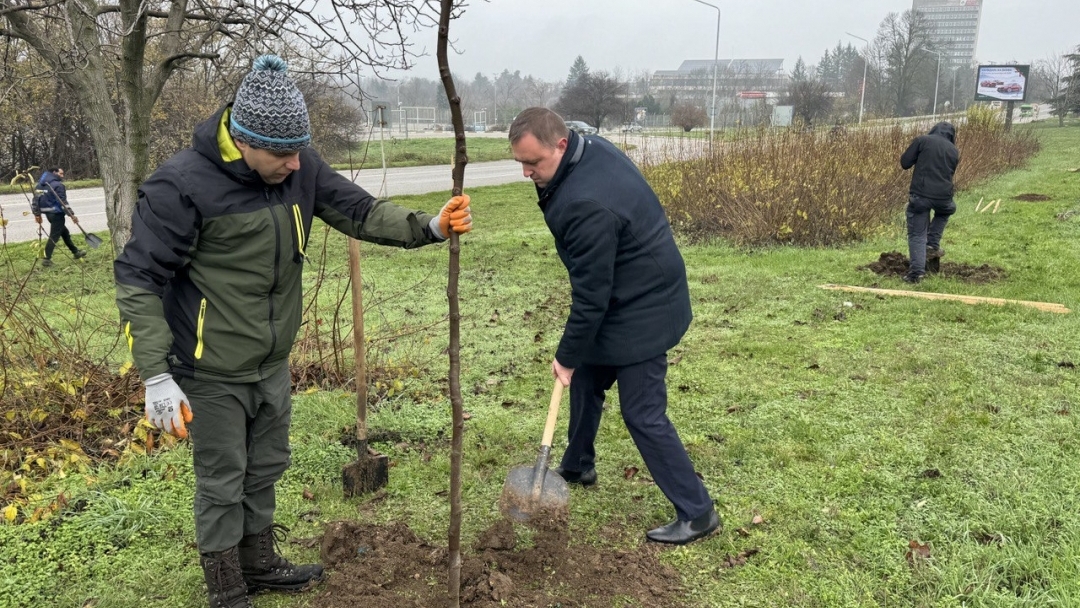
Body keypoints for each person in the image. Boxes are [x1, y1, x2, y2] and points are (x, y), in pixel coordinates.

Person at [113, 55, 472, 608]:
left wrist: (428, 226)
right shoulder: (181, 185)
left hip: (269, 361)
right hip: (210, 370)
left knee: (267, 464)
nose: (295, 163)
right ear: (243, 139)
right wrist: (157, 375)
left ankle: (259, 562)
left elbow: (356, 209)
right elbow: (138, 277)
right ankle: (226, 586)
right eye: (281, 153)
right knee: (222, 478)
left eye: (299, 150)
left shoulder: (296, 166)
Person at [508, 107, 718, 546]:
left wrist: (565, 356)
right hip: (628, 287)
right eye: (521, 164)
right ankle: (577, 463)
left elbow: (591, 296)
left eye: (534, 163)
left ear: (560, 145)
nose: (527, 173)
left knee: (641, 411)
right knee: (586, 378)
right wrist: (576, 359)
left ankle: (698, 513)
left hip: (646, 306)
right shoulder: (587, 149)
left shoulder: (584, 204)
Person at [899, 121, 960, 283]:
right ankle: (932, 244)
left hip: (921, 195)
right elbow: (950, 173)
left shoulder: (922, 140)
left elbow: (905, 163)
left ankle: (916, 274)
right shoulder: (954, 150)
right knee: (947, 210)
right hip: (944, 197)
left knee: (917, 234)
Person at [32, 167, 86, 267]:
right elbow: (63, 203)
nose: (62, 176)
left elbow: (35, 200)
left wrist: (37, 214)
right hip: (57, 215)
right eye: (61, 174)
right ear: (54, 173)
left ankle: (76, 252)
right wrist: (71, 215)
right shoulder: (58, 185)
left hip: (49, 215)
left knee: (65, 233)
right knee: (54, 237)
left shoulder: (40, 185)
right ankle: (46, 259)